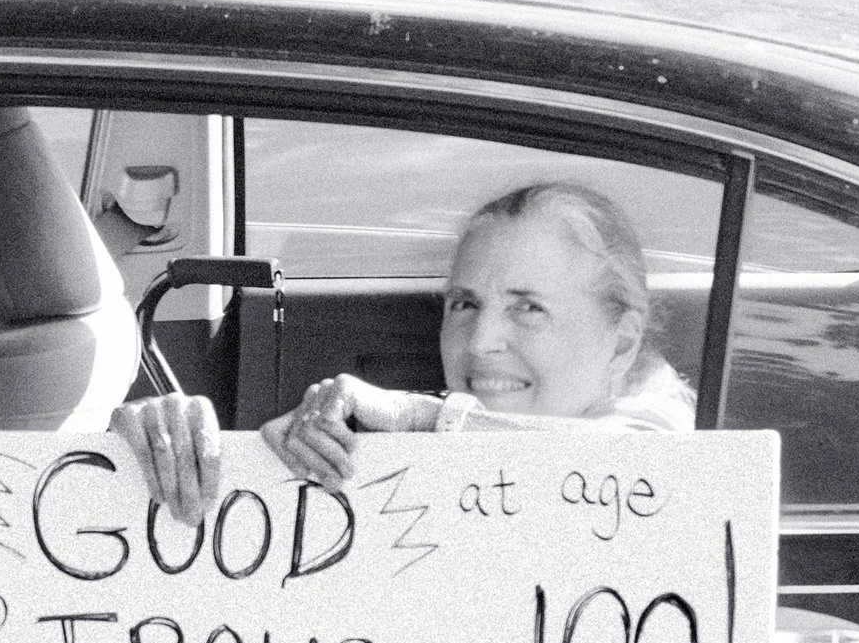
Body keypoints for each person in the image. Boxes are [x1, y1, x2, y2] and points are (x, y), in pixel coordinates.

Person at [116, 180, 695, 524]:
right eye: (464, 304)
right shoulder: (454, 434)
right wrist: (159, 456)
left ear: (622, 343)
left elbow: (631, 465)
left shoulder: (664, 436)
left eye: (528, 307)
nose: (480, 342)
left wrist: (418, 417)